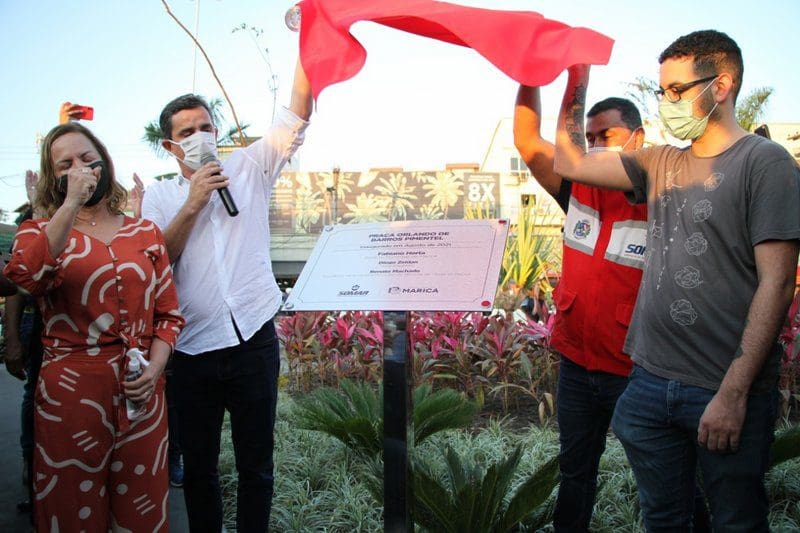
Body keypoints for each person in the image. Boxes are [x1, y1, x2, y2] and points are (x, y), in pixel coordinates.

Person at [552, 30, 800, 530]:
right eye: (662, 91)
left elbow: (778, 284)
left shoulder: (764, 163)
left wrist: (733, 393)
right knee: (662, 518)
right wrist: (576, 74)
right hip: (647, 384)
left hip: (723, 387)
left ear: (722, 85)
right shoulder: (660, 162)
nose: (666, 103)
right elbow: (569, 162)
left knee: (736, 521)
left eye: (677, 91)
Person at [142, 58, 313, 531]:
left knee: (256, 466)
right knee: (199, 470)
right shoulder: (158, 197)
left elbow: (296, 116)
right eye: (188, 131)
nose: (200, 136)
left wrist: (307, 49)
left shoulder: (248, 166)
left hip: (253, 340)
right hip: (192, 350)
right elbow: (159, 260)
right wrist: (194, 201)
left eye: (206, 126)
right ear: (170, 145)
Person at [4, 122, 185, 531]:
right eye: (66, 164)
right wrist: (68, 206)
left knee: (142, 511)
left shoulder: (146, 231)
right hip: (70, 397)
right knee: (72, 510)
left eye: (88, 158)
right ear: (55, 179)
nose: (81, 168)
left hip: (143, 392)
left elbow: (169, 315)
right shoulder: (38, 231)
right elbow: (26, 276)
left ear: (105, 162)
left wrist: (155, 369)